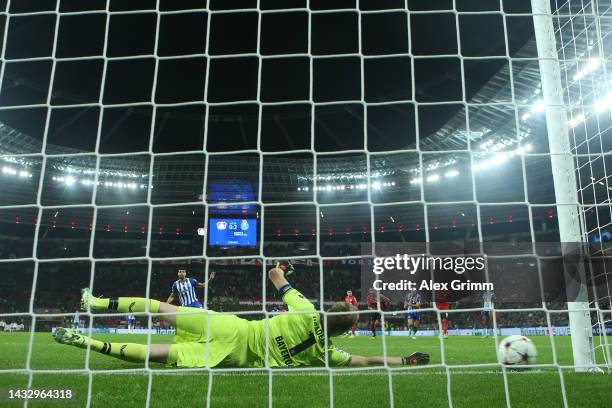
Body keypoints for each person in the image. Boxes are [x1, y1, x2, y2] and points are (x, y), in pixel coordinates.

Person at [53, 263, 429, 368]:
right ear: (345, 332)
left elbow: (274, 275)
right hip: (233, 357)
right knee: (161, 353)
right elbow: (366, 360)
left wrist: (284, 270)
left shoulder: (304, 307)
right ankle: (84, 340)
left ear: (330, 307)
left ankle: (97, 304)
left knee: (163, 309)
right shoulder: (326, 354)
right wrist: (405, 360)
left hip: (230, 326)